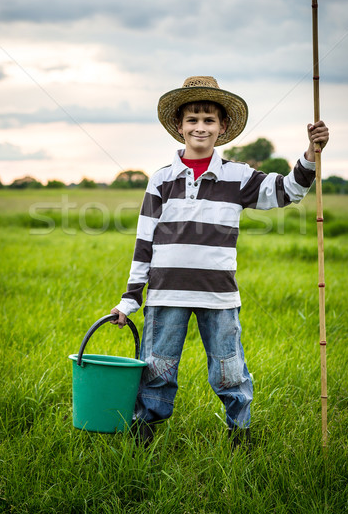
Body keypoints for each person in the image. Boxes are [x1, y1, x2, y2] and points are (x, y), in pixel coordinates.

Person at [110, 76, 329, 448]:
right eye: (192, 119)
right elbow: (143, 241)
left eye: (209, 120)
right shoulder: (161, 180)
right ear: (178, 127)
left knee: (230, 372)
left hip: (219, 296)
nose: (200, 126)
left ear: (222, 127)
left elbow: (287, 190)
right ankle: (143, 437)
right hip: (166, 295)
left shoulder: (238, 176)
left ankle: (239, 435)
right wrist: (131, 298)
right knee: (156, 369)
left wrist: (310, 153)